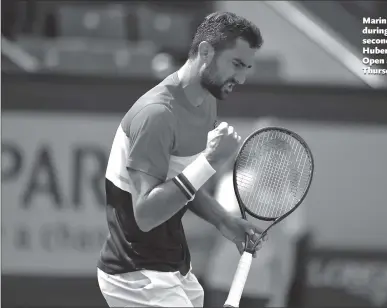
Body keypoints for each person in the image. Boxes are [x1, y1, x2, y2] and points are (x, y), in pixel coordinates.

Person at [96, 12, 266, 307]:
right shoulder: (156, 115)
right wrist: (210, 161)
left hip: (172, 268)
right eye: (236, 65)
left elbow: (180, 183)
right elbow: (146, 214)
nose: (241, 78)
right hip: (135, 277)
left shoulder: (206, 101)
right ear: (205, 52)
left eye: (247, 68)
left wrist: (223, 220)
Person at [204, 118, 307, 308]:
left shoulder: (291, 199)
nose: (273, 157)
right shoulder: (231, 183)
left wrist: (281, 294)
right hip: (223, 283)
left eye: (279, 151)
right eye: (266, 148)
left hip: (262, 289)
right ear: (255, 151)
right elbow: (227, 222)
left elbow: (287, 254)